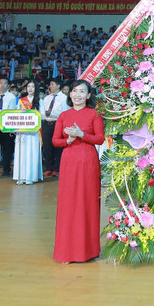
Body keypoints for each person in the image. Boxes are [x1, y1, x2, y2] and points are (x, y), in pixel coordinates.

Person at [52, 80, 105, 263]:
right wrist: (67, 140)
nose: (78, 95)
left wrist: (81, 134)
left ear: (88, 95)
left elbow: (100, 139)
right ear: (70, 94)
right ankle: (66, 252)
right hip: (69, 162)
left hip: (88, 163)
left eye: (82, 92)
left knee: (87, 203)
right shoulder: (63, 116)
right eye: (75, 91)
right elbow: (55, 141)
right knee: (68, 204)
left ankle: (88, 251)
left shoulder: (94, 115)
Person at [13, 81, 43, 185]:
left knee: (31, 153)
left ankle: (30, 177)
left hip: (34, 132)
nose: (30, 88)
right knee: (21, 153)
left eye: (32, 86)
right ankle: (20, 176)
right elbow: (16, 114)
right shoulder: (21, 101)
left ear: (36, 88)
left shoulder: (39, 100)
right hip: (22, 131)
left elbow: (43, 115)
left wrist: (33, 114)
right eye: (28, 86)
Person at [41, 78, 68, 177]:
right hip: (46, 123)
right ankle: (49, 168)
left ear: (58, 86)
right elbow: (42, 111)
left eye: (52, 84)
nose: (50, 86)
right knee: (47, 147)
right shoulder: (47, 98)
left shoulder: (64, 98)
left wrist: (51, 113)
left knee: (58, 147)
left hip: (58, 124)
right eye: (50, 84)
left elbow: (64, 113)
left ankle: (57, 169)